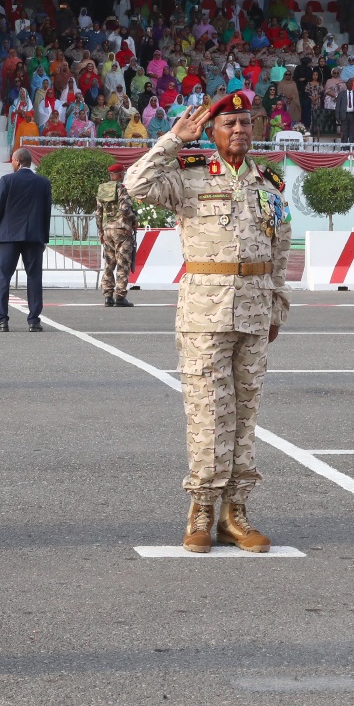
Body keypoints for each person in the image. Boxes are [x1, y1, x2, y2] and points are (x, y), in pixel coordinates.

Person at [126, 92, 290, 554]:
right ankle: (200, 508)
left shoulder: (268, 182)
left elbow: (280, 246)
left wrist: (278, 305)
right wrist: (173, 141)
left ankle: (234, 514)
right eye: (229, 124)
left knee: (244, 413)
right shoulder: (189, 176)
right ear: (212, 131)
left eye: (245, 122)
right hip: (205, 313)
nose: (238, 130)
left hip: (256, 311)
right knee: (206, 414)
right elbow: (136, 184)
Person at [0, 147, 53, 333]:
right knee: (34, 277)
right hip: (34, 237)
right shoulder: (43, 183)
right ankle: (34, 320)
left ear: (17, 161)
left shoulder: (7, 180)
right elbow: (46, 213)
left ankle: (2, 320)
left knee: (4, 277)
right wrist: (44, 239)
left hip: (8, 236)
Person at [96, 163, 137, 307]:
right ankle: (120, 296)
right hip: (122, 230)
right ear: (119, 175)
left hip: (107, 230)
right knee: (123, 263)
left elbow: (98, 213)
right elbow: (125, 209)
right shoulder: (121, 189)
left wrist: (101, 232)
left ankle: (107, 296)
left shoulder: (102, 190)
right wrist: (134, 219)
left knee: (109, 263)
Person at [337, 76, 354, 142]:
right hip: (344, 115)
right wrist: (337, 116)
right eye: (348, 83)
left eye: (351, 83)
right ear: (346, 84)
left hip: (353, 115)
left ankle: (351, 148)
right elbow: (338, 106)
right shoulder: (341, 94)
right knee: (344, 132)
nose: (350, 85)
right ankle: (345, 148)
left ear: (352, 84)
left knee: (353, 132)